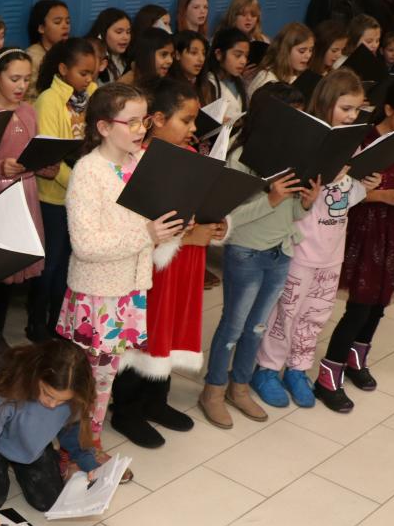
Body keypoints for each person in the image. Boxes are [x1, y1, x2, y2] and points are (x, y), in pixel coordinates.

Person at [59, 82, 180, 476]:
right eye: (129, 121)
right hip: (97, 293)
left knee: (107, 376)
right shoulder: (88, 172)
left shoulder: (142, 161)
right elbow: (86, 244)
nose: (140, 129)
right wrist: (146, 234)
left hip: (129, 288)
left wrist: (174, 222)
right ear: (103, 127)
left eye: (143, 120)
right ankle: (71, 451)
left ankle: (91, 443)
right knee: (84, 379)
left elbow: (152, 220)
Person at [249, 70, 378, 412]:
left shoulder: (351, 144)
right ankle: (266, 369)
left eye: (357, 110)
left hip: (331, 253)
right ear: (326, 103)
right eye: (346, 108)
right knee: (286, 313)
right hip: (302, 248)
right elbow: (299, 202)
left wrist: (367, 184)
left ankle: (297, 368)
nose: (352, 116)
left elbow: (344, 199)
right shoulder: (310, 143)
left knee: (315, 316)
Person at [109, 78, 222, 449]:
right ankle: (127, 409)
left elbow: (201, 205)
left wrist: (217, 223)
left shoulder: (189, 157)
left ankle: (156, 400)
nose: (193, 129)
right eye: (186, 121)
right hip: (151, 268)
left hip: (185, 264)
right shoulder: (136, 162)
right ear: (157, 119)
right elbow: (133, 227)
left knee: (171, 329)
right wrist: (189, 236)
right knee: (145, 331)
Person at [198, 83, 310, 429]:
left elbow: (293, 215)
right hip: (246, 252)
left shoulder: (295, 155)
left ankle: (240, 386)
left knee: (257, 328)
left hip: (281, 251)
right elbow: (230, 216)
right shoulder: (241, 155)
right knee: (233, 326)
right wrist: (271, 198)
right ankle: (213, 391)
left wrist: (305, 202)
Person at [320, 77, 394, 413]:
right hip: (366, 228)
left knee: (380, 302)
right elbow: (339, 191)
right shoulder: (363, 138)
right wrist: (381, 195)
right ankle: (328, 376)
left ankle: (357, 359)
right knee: (360, 304)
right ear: (387, 109)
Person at [0, 340, 98, 526]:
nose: (53, 405)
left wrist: (85, 460)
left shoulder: (74, 395)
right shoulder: (5, 393)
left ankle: (22, 461)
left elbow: (72, 430)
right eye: (48, 394)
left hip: (33, 444)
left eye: (62, 401)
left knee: (48, 501)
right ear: (37, 374)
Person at [0, 48, 43, 370]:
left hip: (25, 193)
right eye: (14, 78)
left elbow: (35, 148)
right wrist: (2, 167)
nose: (20, 85)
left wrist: (44, 159)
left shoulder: (29, 110)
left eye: (26, 79)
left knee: (12, 270)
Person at [29, 38, 98, 342]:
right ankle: (36, 323)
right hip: (53, 198)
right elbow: (51, 159)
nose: (90, 79)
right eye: (83, 73)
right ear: (63, 69)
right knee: (50, 266)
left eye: (93, 72)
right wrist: (81, 185)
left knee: (70, 265)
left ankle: (60, 322)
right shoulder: (49, 100)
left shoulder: (93, 94)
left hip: (81, 195)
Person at [248, 22, 314, 97]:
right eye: (302, 51)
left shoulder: (301, 78)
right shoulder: (267, 80)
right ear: (285, 50)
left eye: (310, 50)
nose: (308, 55)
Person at [203, 27, 250, 124]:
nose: (243, 61)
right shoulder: (209, 83)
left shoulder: (239, 81)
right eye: (237, 55)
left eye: (246, 56)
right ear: (219, 54)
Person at [25, 0, 71, 90]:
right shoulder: (33, 57)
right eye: (57, 22)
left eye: (67, 22)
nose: (65, 26)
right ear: (41, 28)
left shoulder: (69, 52)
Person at [87, 8, 131, 84]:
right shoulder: (94, 58)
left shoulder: (128, 57)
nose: (125, 37)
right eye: (119, 32)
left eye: (128, 32)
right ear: (103, 33)